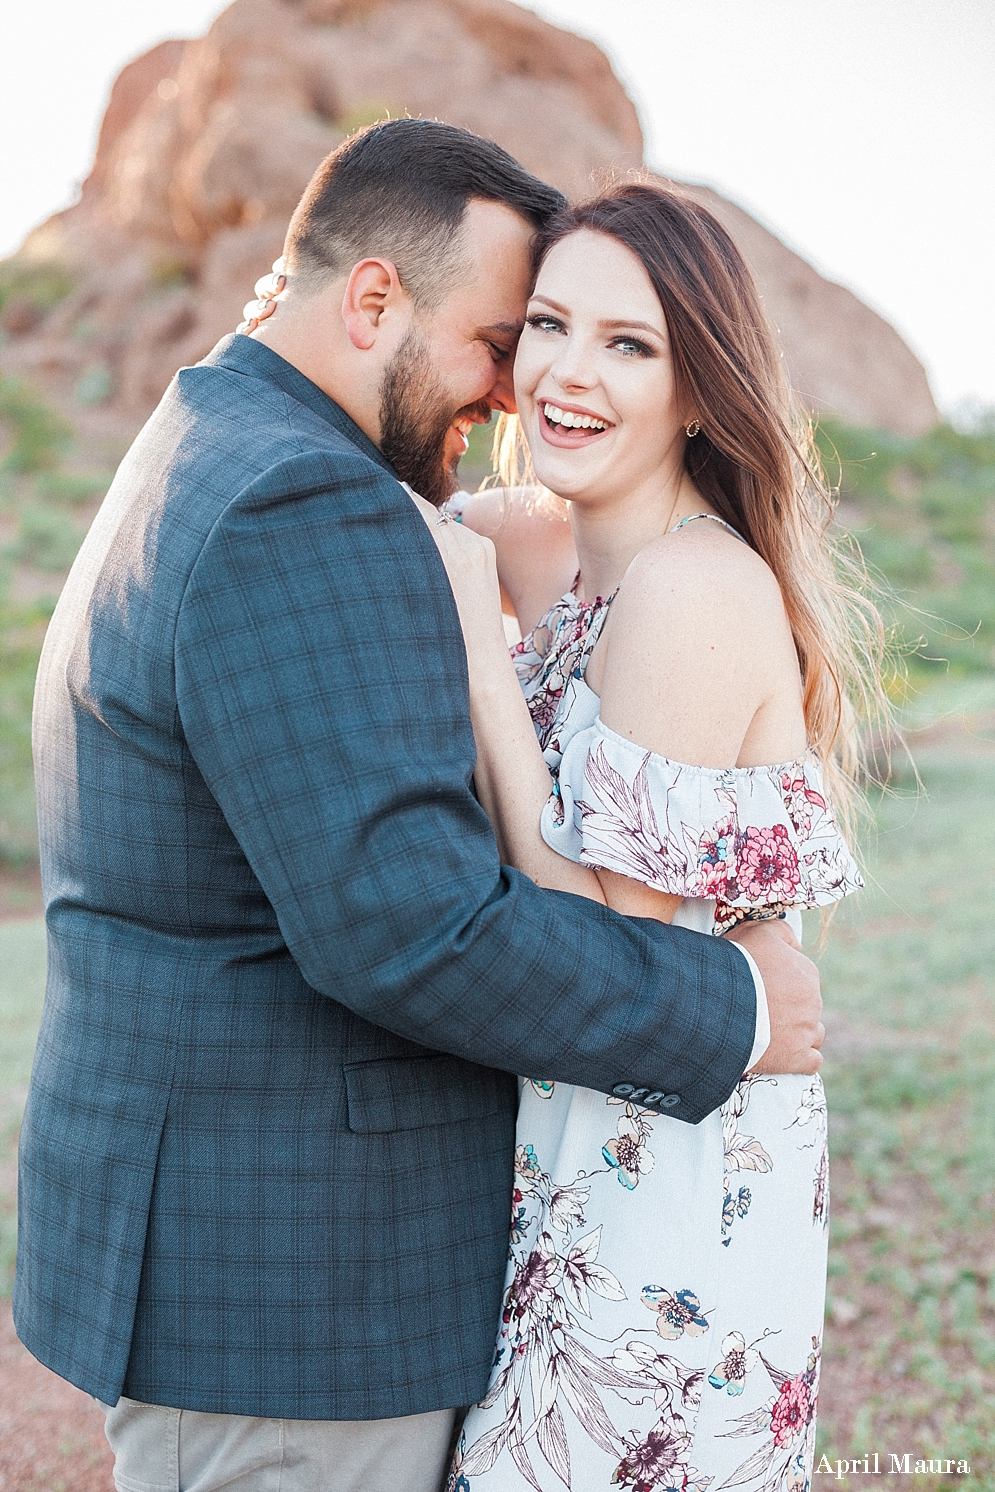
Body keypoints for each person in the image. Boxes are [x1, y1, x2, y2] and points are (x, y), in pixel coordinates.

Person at [17, 123, 822, 1492]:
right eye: (511, 336)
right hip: (293, 1305)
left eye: (605, 341)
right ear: (374, 299)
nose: (522, 385)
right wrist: (740, 1009)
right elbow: (407, 928)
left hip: (347, 1264)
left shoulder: (221, 433)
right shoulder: (305, 499)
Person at [416, 184, 883, 1492]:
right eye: (551, 325)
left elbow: (604, 955)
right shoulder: (586, 573)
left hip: (668, 1190)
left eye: (630, 343)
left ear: (698, 390)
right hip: (582, 1170)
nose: (570, 371)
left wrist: (482, 657)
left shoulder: (690, 587)